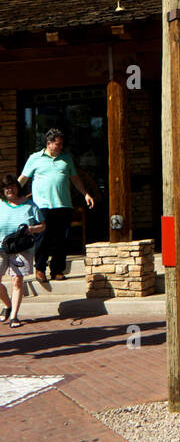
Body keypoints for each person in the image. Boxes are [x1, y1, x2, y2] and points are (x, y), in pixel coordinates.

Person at [18, 128, 95, 284]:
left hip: (64, 204)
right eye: (57, 144)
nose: (60, 147)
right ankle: (40, 268)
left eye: (61, 144)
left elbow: (75, 179)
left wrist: (85, 194)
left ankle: (57, 270)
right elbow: (23, 179)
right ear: (49, 143)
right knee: (43, 237)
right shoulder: (35, 158)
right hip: (42, 206)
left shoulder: (66, 159)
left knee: (62, 238)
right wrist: (11, 197)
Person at [0, 175, 45, 328]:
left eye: (12, 186)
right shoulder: (0, 204)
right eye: (6, 187)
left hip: (21, 248)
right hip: (1, 247)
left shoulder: (30, 205)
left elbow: (42, 225)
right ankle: (7, 305)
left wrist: (31, 229)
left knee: (17, 281)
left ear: (18, 187)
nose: (9, 190)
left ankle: (14, 317)